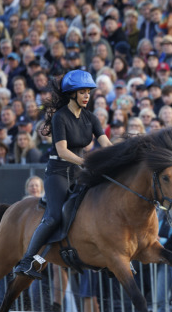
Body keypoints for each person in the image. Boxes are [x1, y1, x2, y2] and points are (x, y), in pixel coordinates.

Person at [13, 70, 112, 278]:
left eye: (89, 92)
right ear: (72, 94)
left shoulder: (91, 118)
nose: (87, 96)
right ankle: (27, 261)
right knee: (54, 216)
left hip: (78, 172)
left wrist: (120, 159)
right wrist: (87, 162)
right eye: (82, 92)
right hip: (58, 172)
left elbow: (106, 145)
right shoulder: (60, 117)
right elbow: (63, 151)